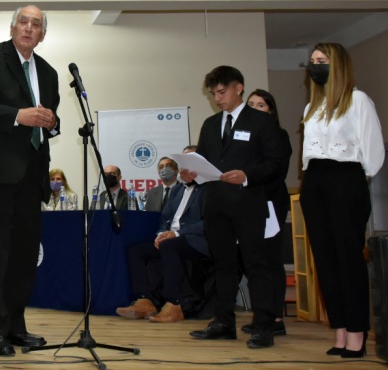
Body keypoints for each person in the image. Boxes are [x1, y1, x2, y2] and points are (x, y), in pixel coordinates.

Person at [0, 5, 60, 357]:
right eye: (24, 21)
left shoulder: (48, 71)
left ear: (42, 34)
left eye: (36, 24)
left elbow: (52, 116)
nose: (29, 28)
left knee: (22, 256)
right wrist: (17, 116)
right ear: (13, 26)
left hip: (32, 176)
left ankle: (16, 326)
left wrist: (51, 121)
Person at [180, 65, 287, 349]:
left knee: (256, 264)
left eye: (222, 92)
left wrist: (247, 176)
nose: (217, 98)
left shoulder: (261, 122)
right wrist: (191, 174)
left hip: (249, 203)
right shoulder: (211, 125)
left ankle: (264, 325)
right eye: (213, 93)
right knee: (224, 265)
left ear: (239, 88)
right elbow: (204, 163)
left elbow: (276, 164)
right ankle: (224, 322)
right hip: (215, 204)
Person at [300, 43, 384, 358]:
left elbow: (373, 151)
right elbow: (308, 155)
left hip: (345, 179)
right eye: (311, 61)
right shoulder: (310, 108)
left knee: (348, 258)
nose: (314, 66)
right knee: (325, 260)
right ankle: (340, 330)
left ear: (338, 66)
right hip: (315, 181)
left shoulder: (358, 100)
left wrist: (353, 181)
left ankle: (357, 333)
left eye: (321, 61)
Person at [115, 172, 207, 323]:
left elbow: (207, 222)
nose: (185, 170)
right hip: (170, 237)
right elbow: (165, 217)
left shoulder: (207, 188)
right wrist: (161, 233)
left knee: (169, 246)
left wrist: (177, 233)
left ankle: (174, 304)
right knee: (135, 251)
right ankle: (144, 300)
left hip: (195, 239)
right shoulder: (177, 189)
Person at [241, 89, 293, 337]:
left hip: (270, 201)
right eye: (250, 104)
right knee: (254, 261)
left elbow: (276, 171)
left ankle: (276, 318)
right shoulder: (243, 136)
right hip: (248, 202)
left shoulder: (279, 135)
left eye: (260, 105)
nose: (254, 108)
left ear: (270, 110)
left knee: (271, 260)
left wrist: (250, 181)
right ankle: (262, 314)